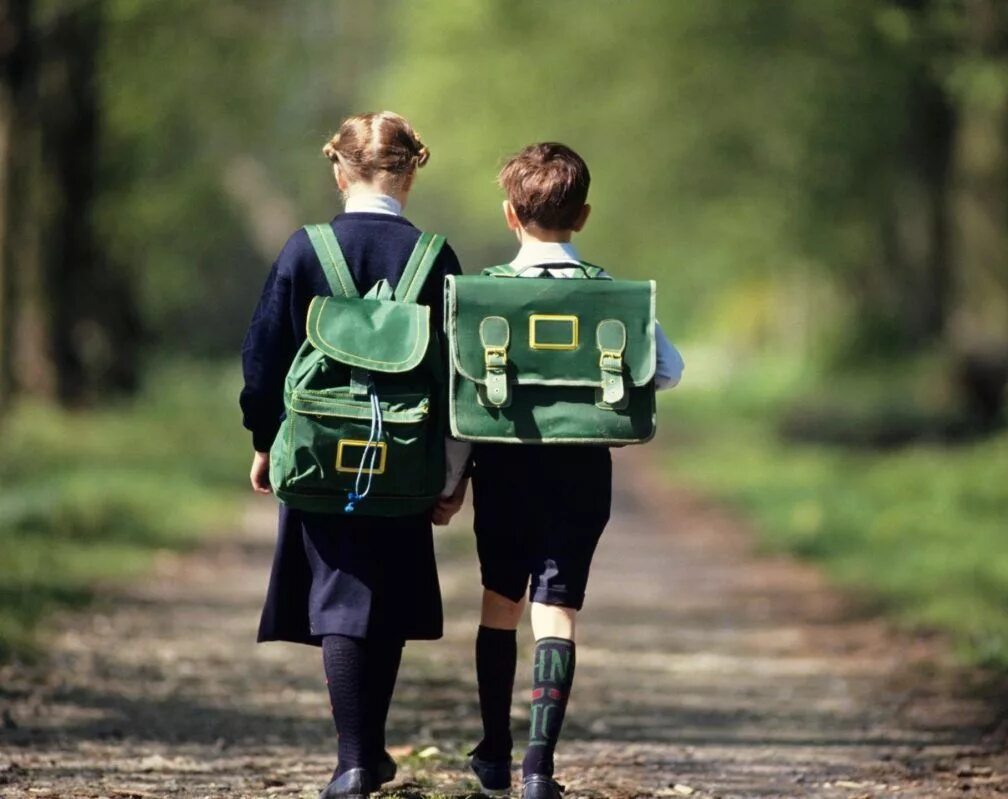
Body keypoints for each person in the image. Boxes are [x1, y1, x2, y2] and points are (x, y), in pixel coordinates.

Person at [240, 111, 469, 799]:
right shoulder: (435, 255)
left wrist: (263, 439)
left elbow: (263, 357)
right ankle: (366, 750)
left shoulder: (305, 251)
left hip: (318, 454)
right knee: (387, 599)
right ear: (413, 171)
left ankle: (354, 760)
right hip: (405, 457)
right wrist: (453, 474)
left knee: (339, 595)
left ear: (338, 170)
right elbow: (461, 378)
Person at [453, 142, 684, 799]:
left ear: (508, 215)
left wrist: (449, 484)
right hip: (581, 473)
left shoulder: (483, 297)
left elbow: (460, 403)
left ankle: (494, 751)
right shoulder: (612, 296)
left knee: (500, 601)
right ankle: (538, 767)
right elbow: (667, 370)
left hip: (503, 467)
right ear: (583, 216)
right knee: (557, 612)